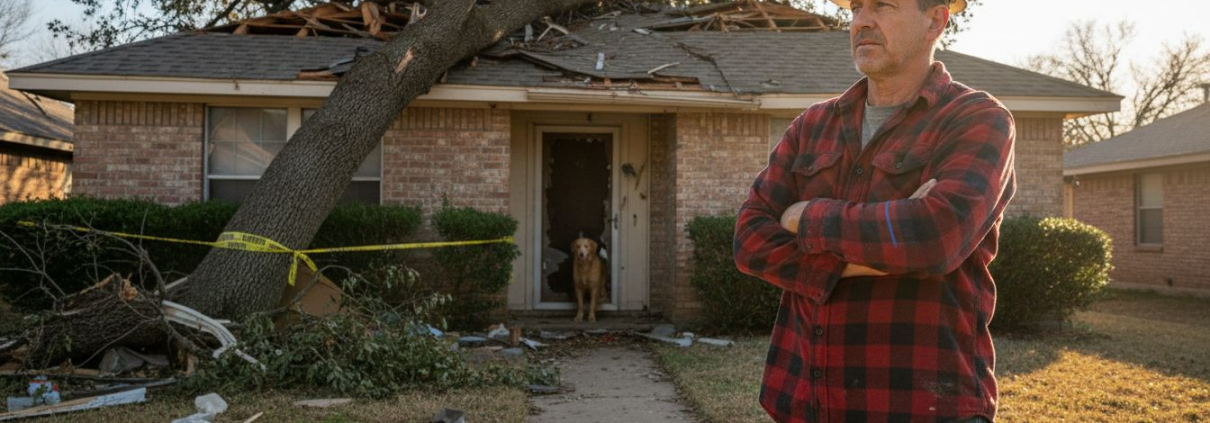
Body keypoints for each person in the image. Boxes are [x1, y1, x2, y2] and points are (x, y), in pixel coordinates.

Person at [733, 0, 1014, 422]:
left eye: (882, 5)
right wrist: (878, 256)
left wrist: (803, 216)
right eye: (857, 7)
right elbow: (749, 240)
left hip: (920, 408)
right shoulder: (812, 125)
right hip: (805, 404)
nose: (862, 20)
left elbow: (934, 237)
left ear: (935, 20)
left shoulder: (977, 119)